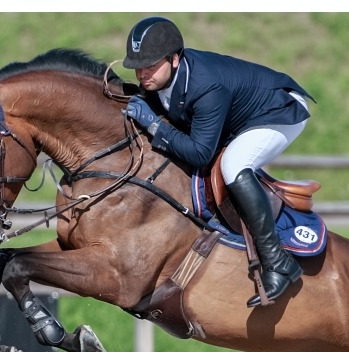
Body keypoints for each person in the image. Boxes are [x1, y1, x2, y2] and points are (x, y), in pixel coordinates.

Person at [121, 16, 316, 308]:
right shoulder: (168, 77)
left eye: (150, 65)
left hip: (279, 111)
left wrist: (156, 127)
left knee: (234, 165)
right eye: (137, 66)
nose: (142, 74)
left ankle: (278, 262)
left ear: (175, 60)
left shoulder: (206, 87)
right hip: (244, 112)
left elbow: (200, 153)